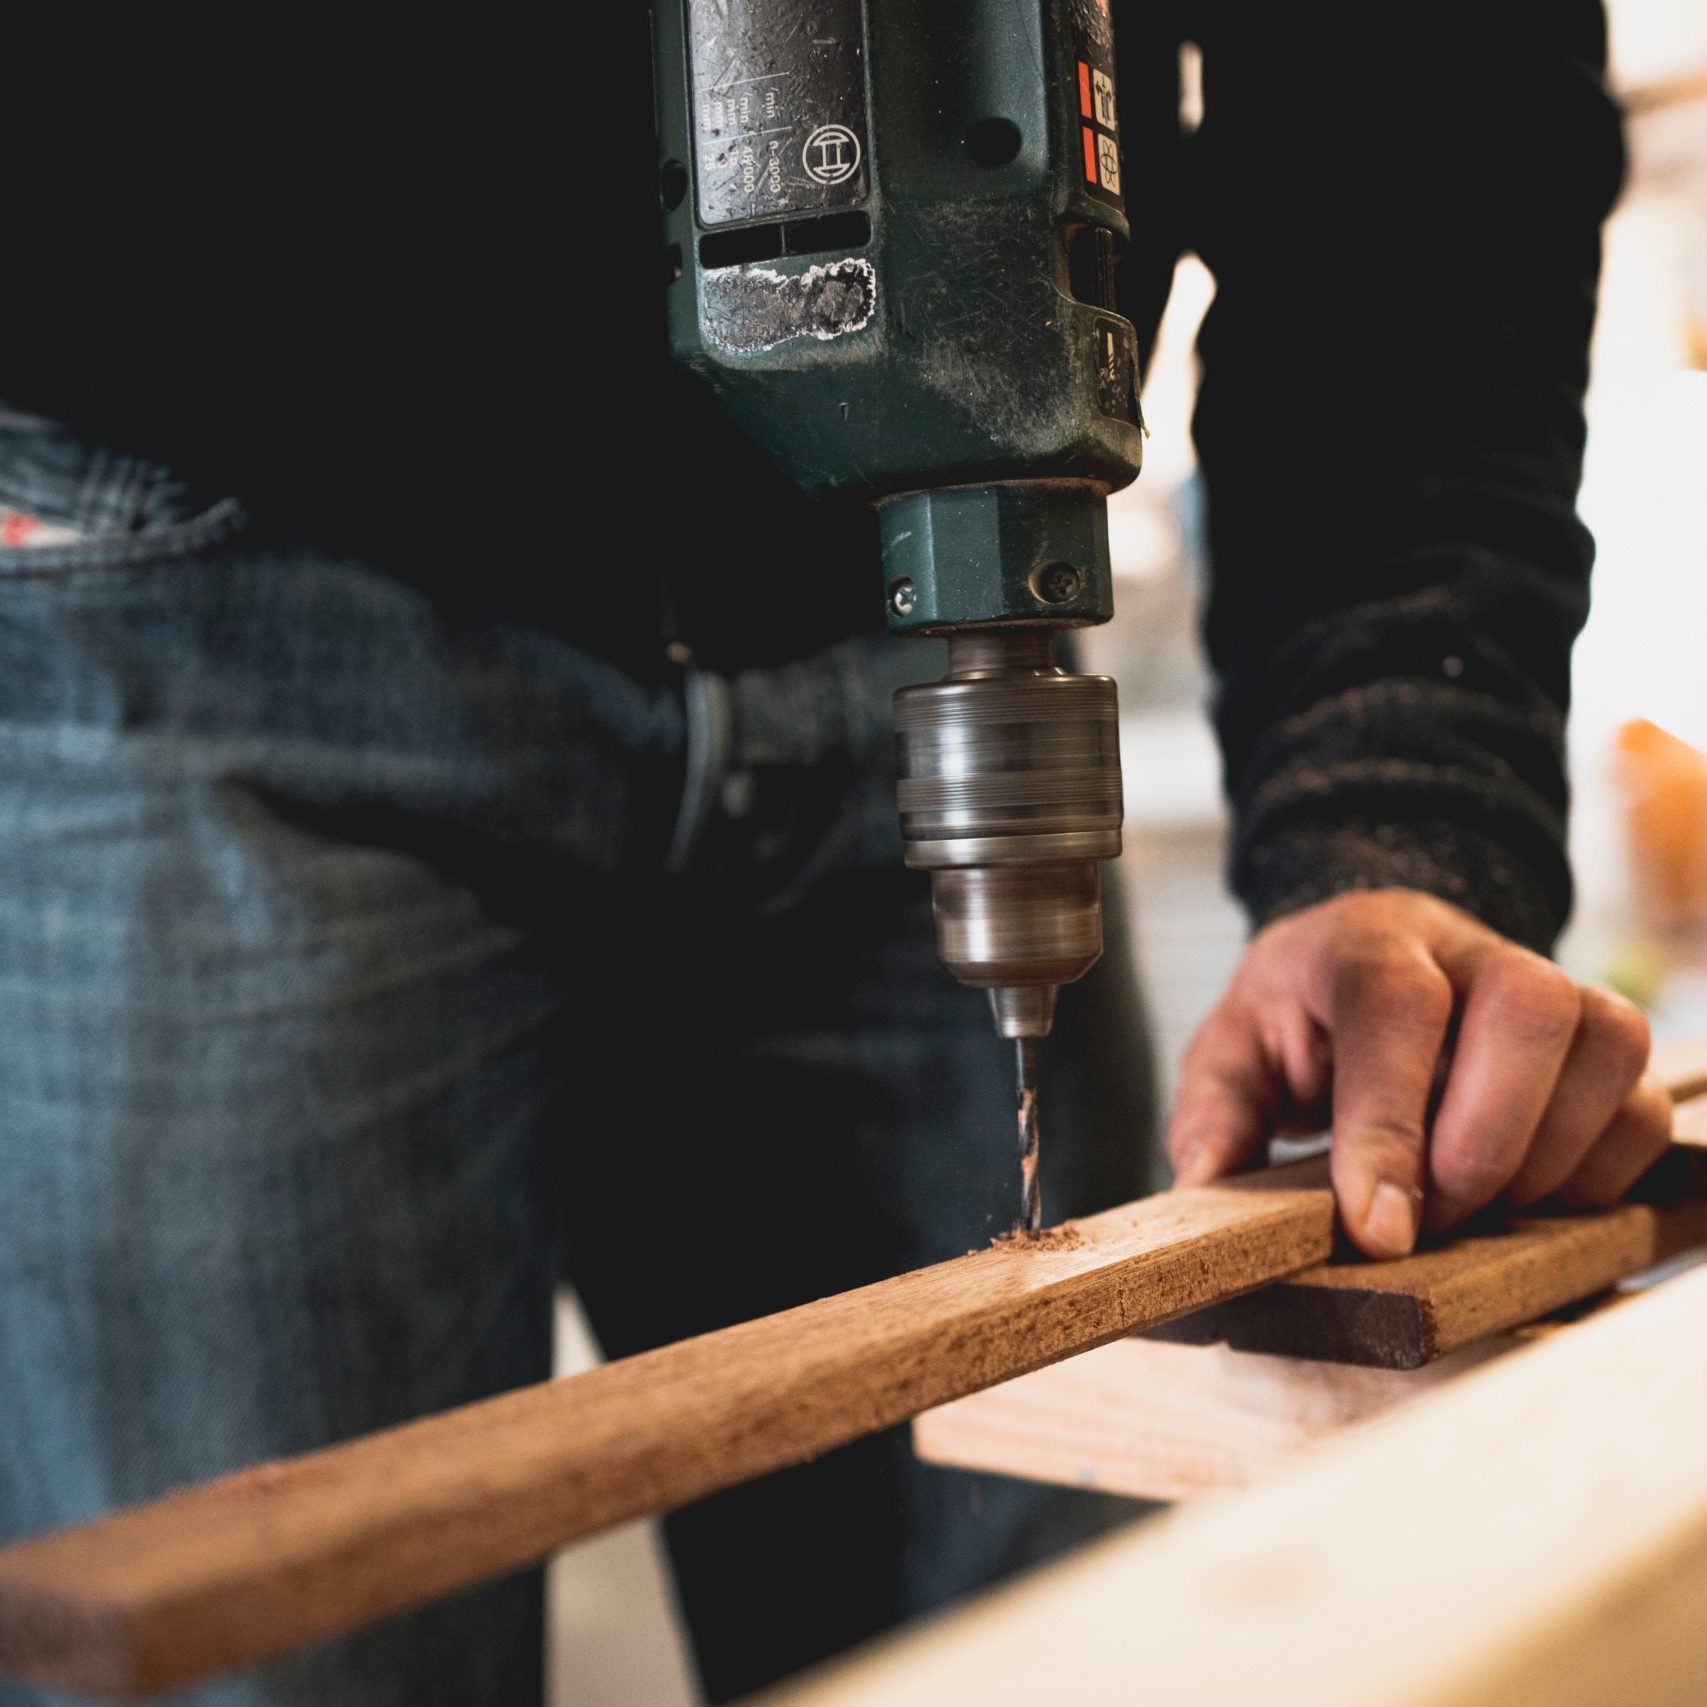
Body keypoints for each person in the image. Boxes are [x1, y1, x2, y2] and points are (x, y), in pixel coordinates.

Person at [0, 6, 1663, 1704]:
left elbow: (1432, 114)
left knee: (1058, 1645)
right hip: (190, 550)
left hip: (891, 590)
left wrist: (1397, 814)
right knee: (269, 1640)